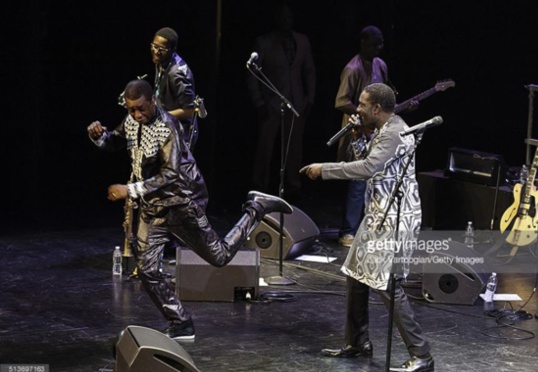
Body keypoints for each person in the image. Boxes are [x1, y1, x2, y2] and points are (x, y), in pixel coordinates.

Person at [88, 79, 292, 340]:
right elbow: (116, 140)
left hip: (181, 203)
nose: (137, 115)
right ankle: (181, 323)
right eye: (131, 110)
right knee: (148, 270)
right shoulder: (133, 121)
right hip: (153, 208)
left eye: (140, 108)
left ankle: (256, 208)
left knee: (219, 257)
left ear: (152, 101)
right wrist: (100, 136)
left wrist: (130, 190)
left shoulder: (167, 128)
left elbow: (171, 175)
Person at [300, 83, 433, 371]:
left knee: (387, 286)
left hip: (396, 219)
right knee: (356, 276)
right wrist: (358, 135)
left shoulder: (396, 134)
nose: (357, 109)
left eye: (361, 105)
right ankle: (358, 342)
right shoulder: (384, 131)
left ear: (376, 108)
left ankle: (422, 355)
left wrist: (325, 170)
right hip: (377, 216)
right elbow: (362, 159)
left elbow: (368, 168)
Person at [334, 25, 409, 248]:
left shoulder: (381, 65)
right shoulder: (353, 68)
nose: (380, 48)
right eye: (375, 43)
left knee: (378, 181)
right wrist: (364, 115)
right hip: (358, 131)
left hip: (378, 132)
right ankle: (347, 231)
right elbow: (341, 101)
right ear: (363, 43)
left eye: (382, 43)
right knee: (358, 181)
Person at [247, 3, 316, 198]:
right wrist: (259, 102)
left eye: (288, 17)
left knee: (294, 148)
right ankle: (260, 187)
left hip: (296, 102)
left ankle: (293, 187)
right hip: (271, 103)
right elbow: (253, 75)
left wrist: (309, 98)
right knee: (265, 148)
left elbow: (309, 70)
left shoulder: (302, 41)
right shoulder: (264, 42)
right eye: (282, 17)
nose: (285, 21)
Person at [151, 27, 202, 149]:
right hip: (167, 127)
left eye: (161, 49)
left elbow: (190, 111)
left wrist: (159, 117)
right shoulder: (161, 60)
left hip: (180, 135)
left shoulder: (177, 74)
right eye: (154, 46)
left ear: (172, 50)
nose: (155, 51)